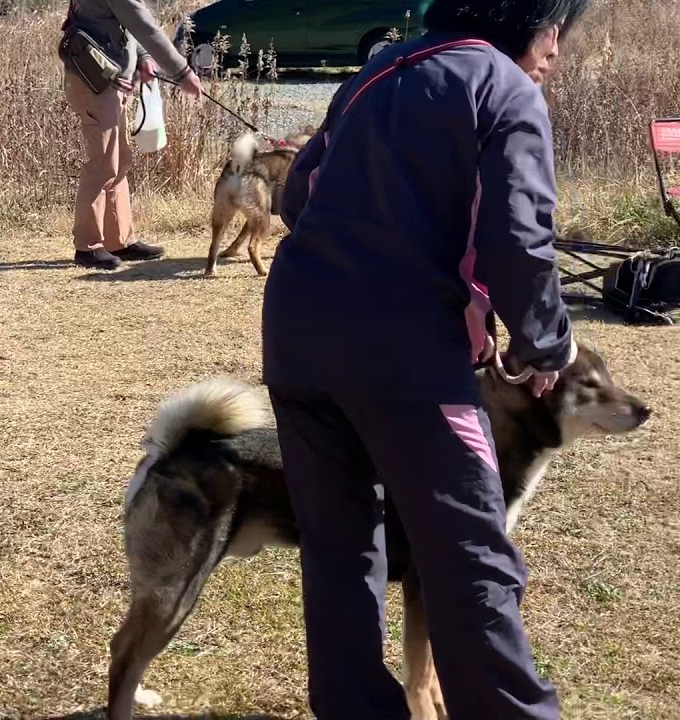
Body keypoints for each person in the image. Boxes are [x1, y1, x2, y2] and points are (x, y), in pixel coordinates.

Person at [261, 0, 590, 718]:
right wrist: (547, 345)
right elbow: (521, 241)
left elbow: (294, 201)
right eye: (557, 27)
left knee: (340, 548)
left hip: (297, 334)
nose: (557, 50)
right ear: (529, 18)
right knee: (470, 554)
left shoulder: (375, 73)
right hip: (407, 353)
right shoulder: (506, 89)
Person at [60, 0, 204, 270]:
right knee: (103, 164)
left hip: (110, 84)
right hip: (96, 86)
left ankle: (118, 241)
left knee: (119, 160)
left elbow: (126, 26)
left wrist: (144, 58)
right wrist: (183, 72)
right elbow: (144, 25)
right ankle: (88, 247)